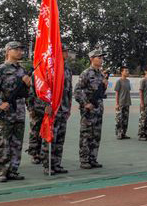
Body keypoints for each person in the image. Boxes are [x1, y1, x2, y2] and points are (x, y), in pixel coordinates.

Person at [0, 41, 31, 182]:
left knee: (17, 142)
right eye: (16, 49)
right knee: (2, 142)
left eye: (21, 49)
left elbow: (27, 93)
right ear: (8, 51)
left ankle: (13, 170)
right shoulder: (0, 69)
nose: (20, 52)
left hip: (19, 111)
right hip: (5, 111)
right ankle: (1, 171)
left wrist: (28, 85)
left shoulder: (22, 70)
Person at [40, 44, 73, 174]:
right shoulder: (50, 68)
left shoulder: (67, 69)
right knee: (50, 137)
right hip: (53, 109)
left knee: (60, 139)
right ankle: (47, 165)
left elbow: (69, 90)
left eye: (67, 51)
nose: (66, 53)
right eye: (64, 51)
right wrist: (45, 105)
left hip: (63, 109)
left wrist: (69, 107)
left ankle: (56, 164)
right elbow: (43, 89)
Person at [74, 48, 109, 169]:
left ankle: (93, 158)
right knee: (86, 135)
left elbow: (100, 93)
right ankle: (84, 160)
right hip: (89, 110)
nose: (101, 59)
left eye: (102, 57)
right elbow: (77, 90)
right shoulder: (86, 73)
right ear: (91, 59)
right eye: (99, 57)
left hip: (98, 109)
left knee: (96, 135)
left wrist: (104, 86)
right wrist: (85, 104)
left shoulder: (101, 74)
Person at [115, 66, 132, 140]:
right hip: (121, 103)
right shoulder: (119, 81)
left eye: (128, 71)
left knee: (125, 119)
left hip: (127, 102)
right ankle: (119, 133)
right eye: (126, 71)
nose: (127, 72)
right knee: (119, 119)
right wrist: (117, 103)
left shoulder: (128, 81)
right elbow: (117, 93)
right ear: (121, 72)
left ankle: (123, 133)